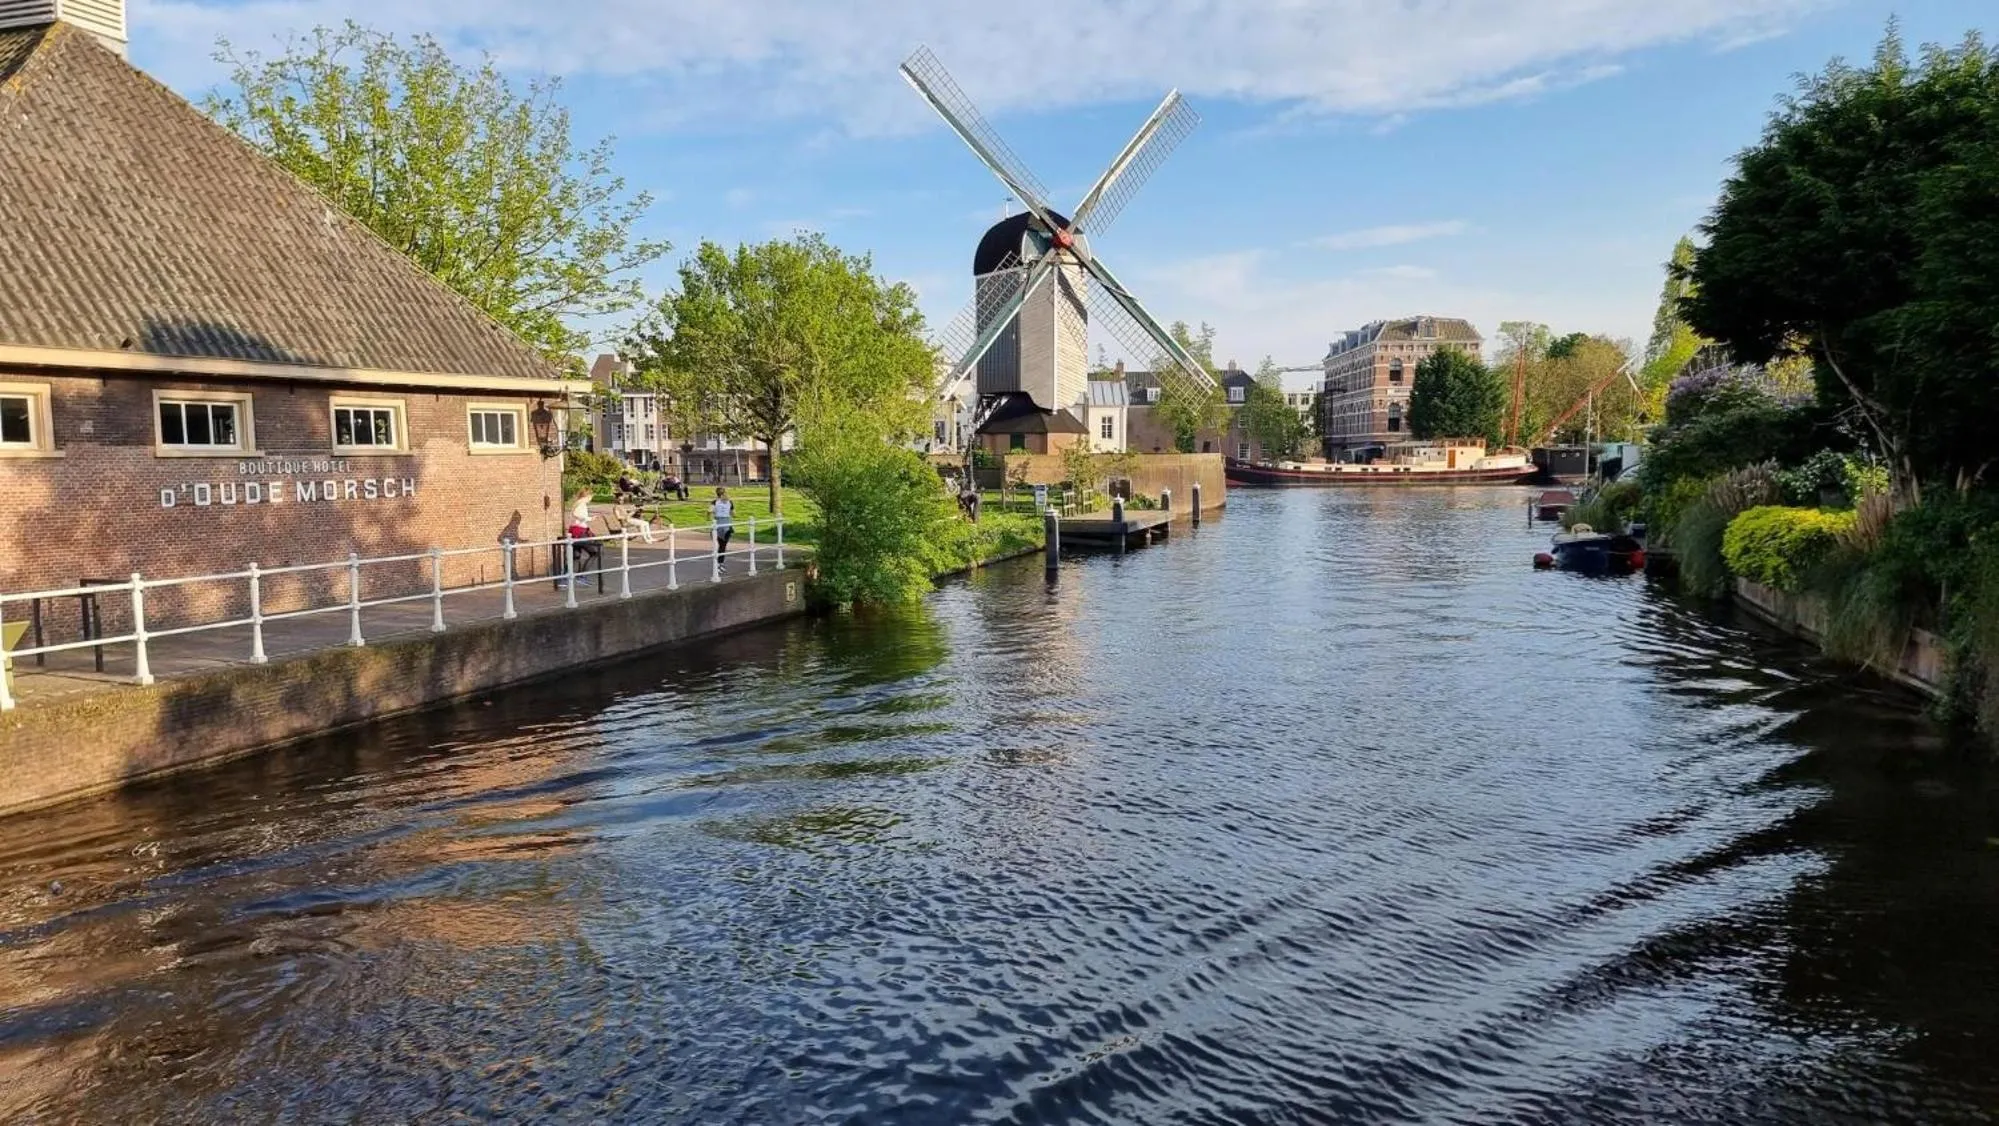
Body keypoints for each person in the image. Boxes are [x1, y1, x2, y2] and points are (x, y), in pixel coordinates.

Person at [710, 486, 735, 571]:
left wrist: (709, 518)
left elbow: (709, 511)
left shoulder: (714, 502)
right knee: (723, 546)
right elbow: (733, 514)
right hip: (727, 525)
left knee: (719, 545)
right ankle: (720, 563)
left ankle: (718, 564)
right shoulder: (730, 502)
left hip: (718, 525)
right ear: (724, 493)